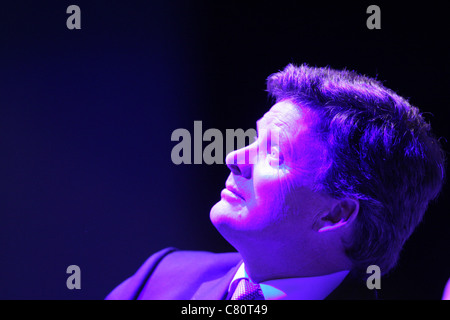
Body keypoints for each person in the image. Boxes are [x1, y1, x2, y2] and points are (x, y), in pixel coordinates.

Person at [105, 64, 445, 300]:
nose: (234, 158)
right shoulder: (158, 278)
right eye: (254, 139)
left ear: (336, 214)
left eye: (273, 153)